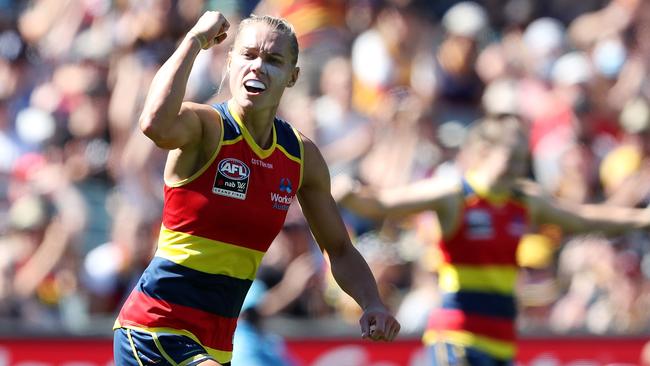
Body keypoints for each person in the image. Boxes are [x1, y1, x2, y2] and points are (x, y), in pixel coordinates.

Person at [112, 10, 400, 366]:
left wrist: (371, 301)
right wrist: (194, 41)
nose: (258, 67)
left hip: (215, 346)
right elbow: (154, 123)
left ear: (293, 77)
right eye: (248, 55)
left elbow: (338, 249)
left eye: (273, 60)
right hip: (156, 329)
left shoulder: (299, 155)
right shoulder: (206, 127)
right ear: (230, 62)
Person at [335, 116, 650, 365]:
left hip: (501, 340)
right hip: (457, 337)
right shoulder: (454, 196)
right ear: (483, 152)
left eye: (521, 158)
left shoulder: (525, 200)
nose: (517, 167)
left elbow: (583, 219)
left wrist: (641, 218)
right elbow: (385, 203)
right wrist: (348, 193)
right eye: (510, 158)